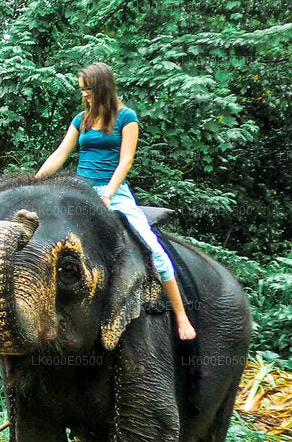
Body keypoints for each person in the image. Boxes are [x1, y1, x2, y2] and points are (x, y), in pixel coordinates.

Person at [35, 61, 197, 341]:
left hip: (114, 192)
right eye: (81, 90)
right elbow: (61, 154)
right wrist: (35, 183)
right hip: (79, 190)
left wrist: (109, 192)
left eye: (87, 90)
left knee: (153, 250)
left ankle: (181, 315)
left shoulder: (126, 117)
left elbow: (126, 159)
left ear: (101, 88)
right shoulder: (81, 120)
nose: (83, 95)